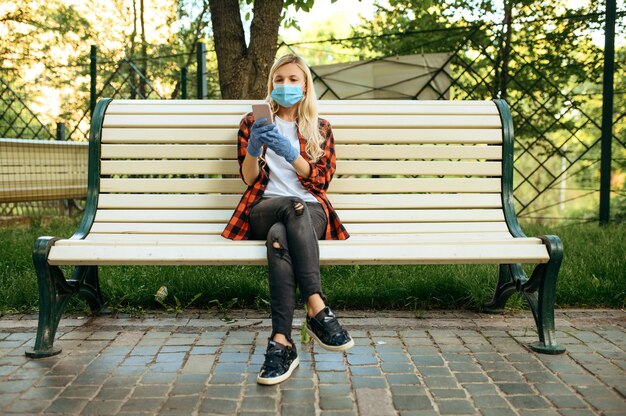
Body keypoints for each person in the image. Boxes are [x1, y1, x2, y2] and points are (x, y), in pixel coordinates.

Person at [222, 54, 353, 385]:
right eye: (278, 80)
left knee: (280, 235)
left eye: (293, 79)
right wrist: (255, 148)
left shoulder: (320, 128)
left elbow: (321, 182)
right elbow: (250, 179)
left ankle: (281, 342)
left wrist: (291, 154)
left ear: (305, 85)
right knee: (285, 209)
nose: (285, 85)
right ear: (271, 85)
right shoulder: (254, 123)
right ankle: (316, 306)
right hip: (265, 206)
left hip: (311, 210)